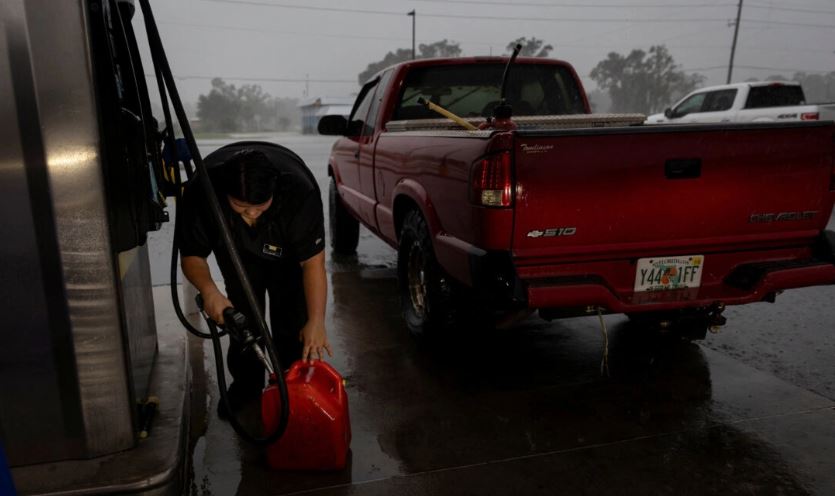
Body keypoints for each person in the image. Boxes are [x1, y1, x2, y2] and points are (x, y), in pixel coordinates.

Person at [176, 143, 331, 417]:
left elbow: (312, 262)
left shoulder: (298, 192)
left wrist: (316, 321)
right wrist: (210, 290)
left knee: (293, 315)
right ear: (227, 195)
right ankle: (246, 386)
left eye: (260, 206)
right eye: (241, 206)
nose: (251, 213)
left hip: (287, 253)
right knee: (243, 315)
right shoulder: (203, 193)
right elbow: (192, 255)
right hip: (234, 248)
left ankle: (290, 383)